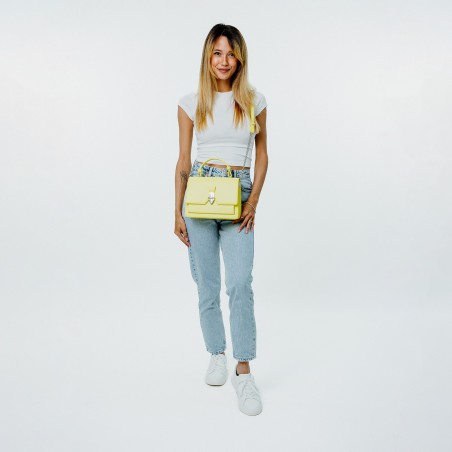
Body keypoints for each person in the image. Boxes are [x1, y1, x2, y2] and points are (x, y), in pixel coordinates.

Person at [174, 23, 268, 416]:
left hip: (238, 193)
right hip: (199, 193)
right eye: (217, 53)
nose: (223, 61)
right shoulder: (190, 102)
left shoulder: (254, 100)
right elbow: (183, 160)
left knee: (240, 282)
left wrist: (253, 201)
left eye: (230, 53)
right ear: (207, 57)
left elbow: (262, 155)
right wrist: (176, 210)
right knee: (207, 285)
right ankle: (216, 352)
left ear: (240, 58)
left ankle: (243, 371)